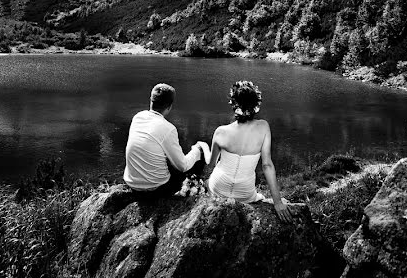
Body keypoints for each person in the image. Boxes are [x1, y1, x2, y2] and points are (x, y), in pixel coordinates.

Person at [206, 81, 292, 222]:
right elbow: (267, 165)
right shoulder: (263, 127)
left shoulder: (220, 132)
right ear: (255, 105)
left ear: (234, 104)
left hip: (219, 187)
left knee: (208, 181)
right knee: (259, 197)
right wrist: (277, 202)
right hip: (244, 193)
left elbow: (210, 165)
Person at [123, 83, 206, 197]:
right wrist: (196, 150)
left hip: (131, 184)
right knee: (198, 152)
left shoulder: (138, 117)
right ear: (169, 106)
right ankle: (193, 191)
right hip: (156, 190)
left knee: (163, 155)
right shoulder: (168, 128)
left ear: (150, 101)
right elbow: (182, 166)